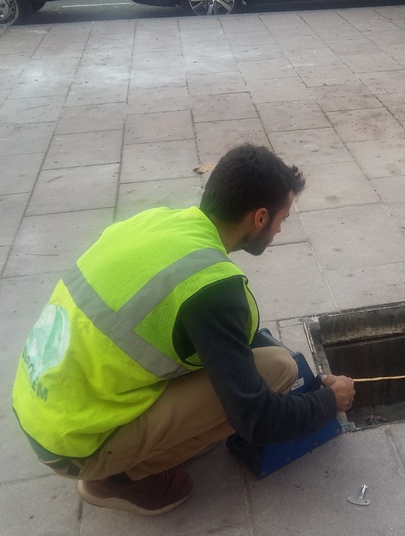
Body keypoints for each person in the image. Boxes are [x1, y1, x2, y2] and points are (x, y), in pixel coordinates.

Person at [11, 143, 355, 516]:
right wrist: (327, 403)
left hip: (41, 402)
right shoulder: (212, 287)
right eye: (281, 219)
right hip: (75, 444)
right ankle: (118, 478)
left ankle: (127, 448)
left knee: (252, 364)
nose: (278, 230)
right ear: (259, 218)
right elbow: (257, 420)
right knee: (278, 368)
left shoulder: (158, 221)